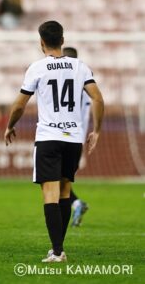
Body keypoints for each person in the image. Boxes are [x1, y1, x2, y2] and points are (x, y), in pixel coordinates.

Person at [4, 21, 104, 262]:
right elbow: (98, 99)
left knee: (50, 194)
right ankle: (58, 248)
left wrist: (10, 126)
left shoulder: (37, 68)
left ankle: (57, 251)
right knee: (65, 192)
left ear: (41, 42)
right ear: (63, 39)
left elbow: (19, 104)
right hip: (73, 139)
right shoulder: (79, 66)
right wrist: (97, 131)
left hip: (49, 137)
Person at [62, 46, 90, 227]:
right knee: (62, 180)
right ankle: (76, 203)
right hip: (78, 139)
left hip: (63, 135)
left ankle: (76, 203)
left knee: (55, 182)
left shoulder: (65, 83)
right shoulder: (86, 80)